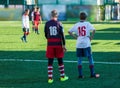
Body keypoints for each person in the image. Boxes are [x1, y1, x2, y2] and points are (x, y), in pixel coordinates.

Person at [68, 12, 100, 78]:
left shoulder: (77, 24)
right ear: (86, 17)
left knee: (79, 59)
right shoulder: (87, 24)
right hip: (87, 43)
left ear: (79, 17)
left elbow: (69, 31)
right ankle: (92, 74)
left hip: (79, 44)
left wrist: (75, 37)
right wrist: (91, 37)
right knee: (90, 57)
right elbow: (94, 30)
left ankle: (80, 75)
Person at [44, 10, 69, 83]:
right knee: (60, 60)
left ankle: (50, 79)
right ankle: (62, 76)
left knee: (50, 61)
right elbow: (63, 36)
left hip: (50, 44)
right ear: (57, 15)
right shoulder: (59, 23)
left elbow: (46, 34)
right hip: (58, 44)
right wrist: (64, 45)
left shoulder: (47, 23)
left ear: (50, 15)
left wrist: (50, 39)